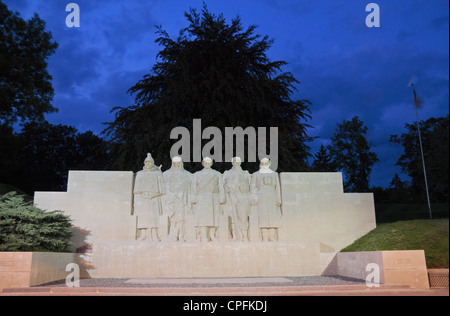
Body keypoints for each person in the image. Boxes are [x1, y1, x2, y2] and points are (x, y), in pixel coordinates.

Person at [192, 157, 226, 242]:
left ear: (211, 163)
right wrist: (193, 198)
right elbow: (193, 187)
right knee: (203, 217)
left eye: (209, 162)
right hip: (202, 197)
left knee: (213, 217)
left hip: (213, 197)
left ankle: (212, 235)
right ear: (203, 163)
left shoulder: (217, 174)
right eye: (205, 162)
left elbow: (221, 186)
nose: (207, 164)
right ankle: (204, 235)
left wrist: (222, 197)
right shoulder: (197, 174)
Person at [133, 153, 165, 241]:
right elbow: (136, 190)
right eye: (146, 162)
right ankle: (143, 235)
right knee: (143, 217)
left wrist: (154, 194)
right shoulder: (139, 174)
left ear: (153, 163)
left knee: (154, 217)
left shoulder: (158, 174)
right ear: (144, 163)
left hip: (154, 198)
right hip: (142, 199)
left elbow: (162, 189)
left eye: (150, 162)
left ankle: (155, 235)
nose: (148, 164)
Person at [251, 158, 282, 241]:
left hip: (272, 196)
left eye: (266, 163)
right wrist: (254, 198)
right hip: (261, 196)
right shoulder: (256, 174)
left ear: (269, 163)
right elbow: (253, 187)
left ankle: (271, 236)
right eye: (263, 163)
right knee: (263, 216)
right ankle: (264, 236)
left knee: (272, 217)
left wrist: (278, 199)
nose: (264, 164)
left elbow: (277, 187)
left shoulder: (274, 174)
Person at [163, 156, 193, 242]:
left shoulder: (187, 175)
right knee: (171, 218)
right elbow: (162, 187)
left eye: (178, 163)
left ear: (181, 164)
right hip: (170, 200)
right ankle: (172, 234)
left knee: (181, 218)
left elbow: (191, 187)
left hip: (182, 201)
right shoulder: (166, 174)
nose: (176, 165)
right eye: (174, 163)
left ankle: (181, 235)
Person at [223, 157, 252, 241]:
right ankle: (236, 236)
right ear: (232, 163)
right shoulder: (227, 173)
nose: (237, 163)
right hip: (231, 197)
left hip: (243, 197)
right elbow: (223, 185)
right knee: (233, 217)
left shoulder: (245, 173)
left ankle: (245, 235)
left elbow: (250, 186)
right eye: (235, 162)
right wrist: (228, 187)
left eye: (238, 162)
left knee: (243, 217)